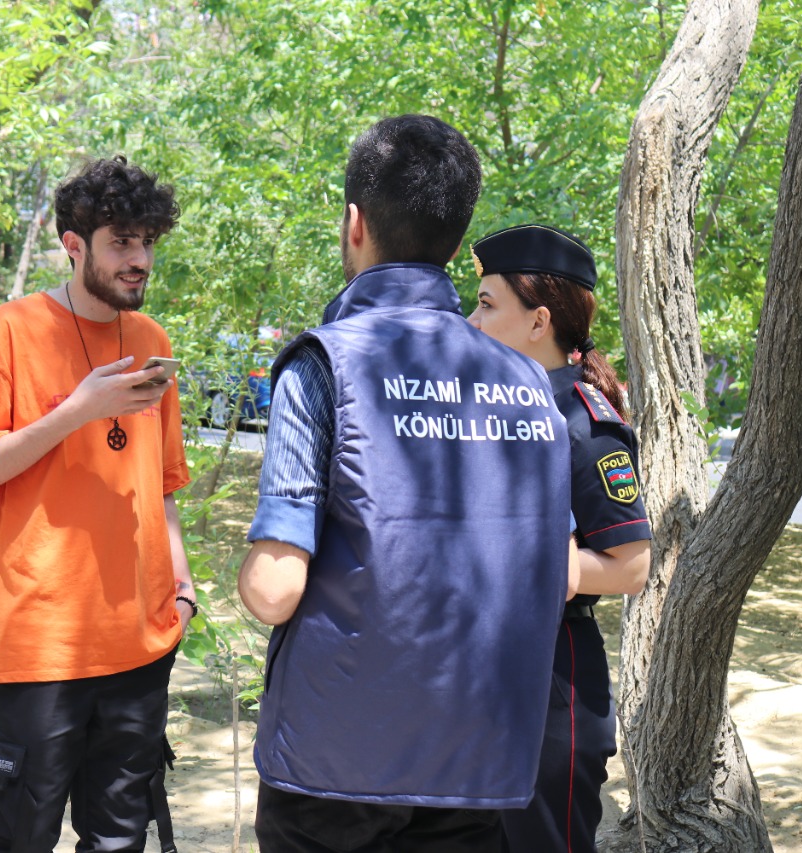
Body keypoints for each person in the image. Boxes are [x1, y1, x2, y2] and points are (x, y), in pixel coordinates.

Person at [238, 115, 577, 853]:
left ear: (354, 223)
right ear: (457, 242)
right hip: (476, 757)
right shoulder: (528, 382)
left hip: (331, 764)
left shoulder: (323, 364)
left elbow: (273, 589)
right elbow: (550, 571)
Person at [0, 156, 192, 853]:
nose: (139, 259)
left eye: (148, 241)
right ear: (73, 245)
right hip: (41, 645)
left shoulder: (151, 342)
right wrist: (78, 409)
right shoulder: (7, 332)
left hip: (140, 643)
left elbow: (163, 482)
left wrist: (182, 591)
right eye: (122, 242)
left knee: (120, 840)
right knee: (19, 837)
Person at [467, 224, 652, 852]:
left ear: (539, 320)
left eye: (486, 304)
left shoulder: (584, 422)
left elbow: (632, 567)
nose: (471, 321)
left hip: (551, 682)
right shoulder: (489, 408)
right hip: (476, 669)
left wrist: (541, 561)